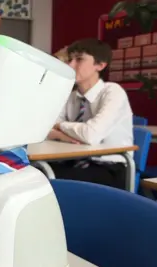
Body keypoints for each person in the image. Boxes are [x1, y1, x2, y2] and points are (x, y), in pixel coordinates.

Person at [47, 38, 133, 189]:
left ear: (100, 65)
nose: (71, 65)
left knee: (47, 183)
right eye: (69, 60)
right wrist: (62, 135)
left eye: (79, 59)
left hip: (108, 166)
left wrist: (60, 125)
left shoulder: (112, 91)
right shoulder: (71, 96)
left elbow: (90, 135)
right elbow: (46, 128)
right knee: (32, 173)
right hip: (73, 160)